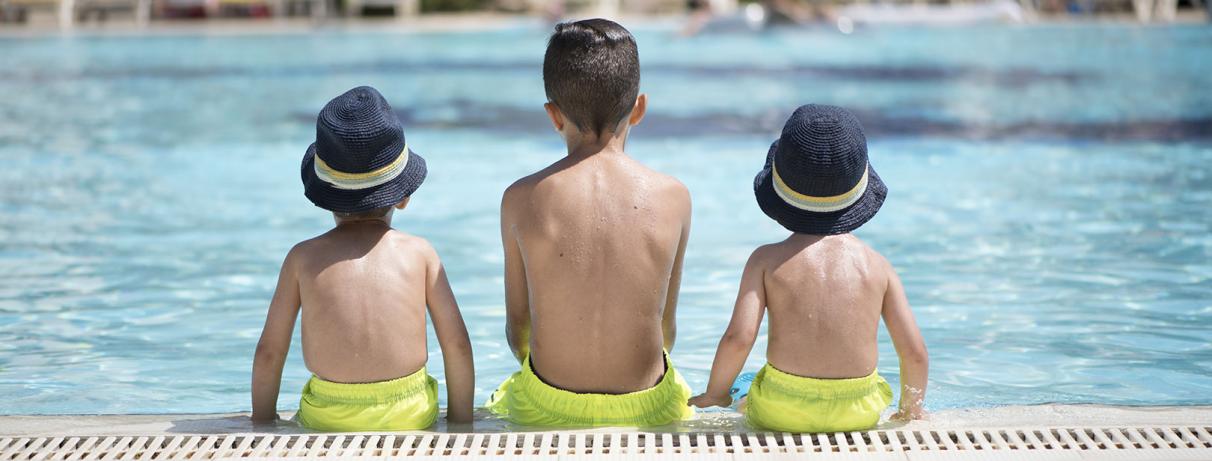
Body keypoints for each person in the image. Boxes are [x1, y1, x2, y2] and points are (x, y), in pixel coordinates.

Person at [487, 19, 695, 427]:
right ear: (639, 109)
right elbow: (665, 330)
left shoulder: (520, 198)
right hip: (648, 406)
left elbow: (518, 331)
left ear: (553, 115)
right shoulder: (674, 197)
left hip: (547, 404)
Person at [688, 104, 928, 433]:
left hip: (782, 409)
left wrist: (715, 394)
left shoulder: (766, 260)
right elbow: (913, 352)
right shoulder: (878, 266)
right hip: (858, 411)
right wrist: (910, 410)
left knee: (743, 384)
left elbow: (738, 339)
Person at [250, 86, 474, 431]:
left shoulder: (302, 258)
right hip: (410, 412)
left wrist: (262, 423)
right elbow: (457, 345)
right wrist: (461, 423)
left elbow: (269, 352)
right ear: (404, 197)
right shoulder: (420, 254)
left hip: (328, 414)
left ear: (324, 196)